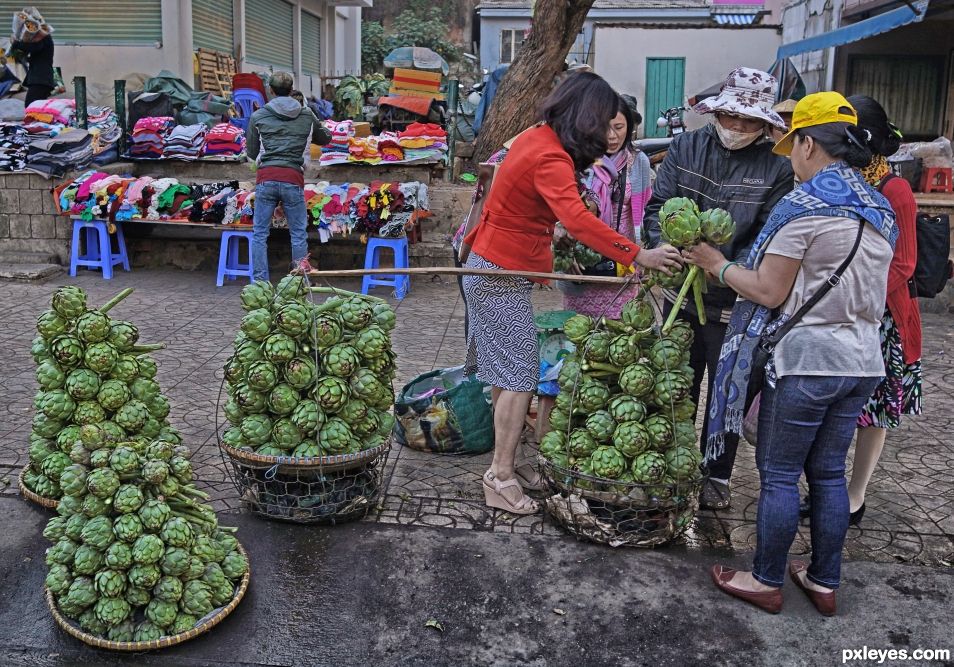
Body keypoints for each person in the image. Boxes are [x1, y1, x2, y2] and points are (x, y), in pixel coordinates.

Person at [686, 92, 897, 615]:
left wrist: (716, 263)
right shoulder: (880, 205)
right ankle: (824, 580)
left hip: (807, 362)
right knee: (828, 474)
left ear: (807, 142)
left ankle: (764, 579)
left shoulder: (804, 207)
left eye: (791, 146)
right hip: (862, 363)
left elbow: (767, 290)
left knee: (779, 474)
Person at [462, 72, 682, 515]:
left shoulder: (538, 137)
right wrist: (639, 255)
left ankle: (503, 465)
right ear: (585, 117)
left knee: (508, 372)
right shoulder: (551, 157)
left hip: (494, 266)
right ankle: (500, 477)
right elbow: (579, 221)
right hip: (497, 272)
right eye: (602, 121)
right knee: (519, 375)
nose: (606, 132)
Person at [643, 67, 795, 510]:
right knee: (677, 384)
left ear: (765, 125)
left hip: (735, 301)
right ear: (718, 113)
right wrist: (665, 244)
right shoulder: (686, 147)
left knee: (728, 390)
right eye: (731, 118)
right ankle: (674, 462)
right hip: (680, 295)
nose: (738, 129)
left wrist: (723, 266)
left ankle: (717, 475)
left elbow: (769, 235)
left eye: (749, 122)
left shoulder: (777, 170)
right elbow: (657, 207)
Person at [800, 95, 922, 526]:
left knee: (874, 413)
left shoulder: (896, 190)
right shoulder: (835, 181)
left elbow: (904, 264)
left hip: (882, 319)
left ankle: (855, 495)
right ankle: (824, 487)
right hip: (834, 308)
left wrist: (853, 291)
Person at [559, 94, 653, 319]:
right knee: (581, 338)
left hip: (622, 267)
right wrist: (565, 252)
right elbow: (563, 212)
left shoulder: (638, 162)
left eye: (619, 127)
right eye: (605, 127)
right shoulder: (577, 160)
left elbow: (645, 213)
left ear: (629, 127)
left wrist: (643, 254)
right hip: (581, 265)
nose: (612, 136)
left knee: (620, 335)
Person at [247, 72, 331, 280]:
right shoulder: (307, 114)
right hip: (293, 178)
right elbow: (325, 139)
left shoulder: (258, 116)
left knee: (259, 234)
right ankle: (299, 281)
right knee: (298, 234)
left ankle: (260, 283)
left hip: (266, 178)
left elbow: (251, 153)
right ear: (292, 90)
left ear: (271, 91)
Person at [10, 6, 55, 105]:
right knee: (36, 108)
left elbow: (34, 48)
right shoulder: (39, 39)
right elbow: (28, 54)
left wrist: (16, 44)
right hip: (39, 80)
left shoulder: (44, 37)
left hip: (41, 80)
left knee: (30, 106)